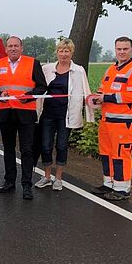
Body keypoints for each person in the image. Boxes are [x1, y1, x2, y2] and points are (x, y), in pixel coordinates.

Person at [0, 36, 47, 200]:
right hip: (5, 112)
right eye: (10, 46)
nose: (13, 48)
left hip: (25, 112)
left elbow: (42, 87)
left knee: (27, 150)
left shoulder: (32, 63)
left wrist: (28, 96)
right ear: (6, 49)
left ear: (22, 48)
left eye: (16, 46)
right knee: (8, 149)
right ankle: (9, 182)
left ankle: (26, 185)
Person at [91, 36, 132, 201]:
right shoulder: (111, 70)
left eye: (125, 49)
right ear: (115, 50)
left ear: (131, 50)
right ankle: (109, 183)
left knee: (121, 155)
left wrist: (106, 98)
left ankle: (122, 189)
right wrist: (96, 97)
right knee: (106, 153)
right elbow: (102, 89)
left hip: (124, 122)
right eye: (119, 49)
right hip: (107, 120)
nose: (122, 52)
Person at [34, 39, 93, 191]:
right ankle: (47, 176)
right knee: (46, 146)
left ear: (71, 53)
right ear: (57, 52)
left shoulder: (78, 71)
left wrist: (90, 111)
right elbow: (38, 87)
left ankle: (58, 178)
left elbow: (86, 92)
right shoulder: (47, 69)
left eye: (67, 51)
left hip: (66, 115)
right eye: (61, 51)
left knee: (61, 146)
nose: (64, 54)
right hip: (48, 114)